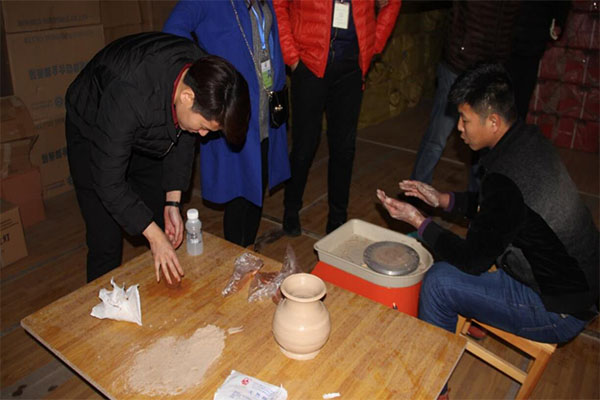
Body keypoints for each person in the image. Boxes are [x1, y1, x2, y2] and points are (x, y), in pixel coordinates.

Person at [377, 63, 599, 398]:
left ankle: (436, 389)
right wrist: (443, 199)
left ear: (493, 121)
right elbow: (500, 209)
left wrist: (418, 221)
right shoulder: (527, 141)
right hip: (578, 282)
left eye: (465, 120)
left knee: (438, 282)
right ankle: (478, 312)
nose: (459, 129)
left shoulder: (505, 178)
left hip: (558, 308)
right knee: (472, 253)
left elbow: (472, 259)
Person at [66, 32, 250, 284]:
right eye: (204, 126)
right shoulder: (131, 93)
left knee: (158, 216)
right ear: (186, 97)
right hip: (92, 126)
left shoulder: (203, 77)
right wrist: (154, 236)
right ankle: (101, 301)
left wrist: (173, 202)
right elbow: (108, 181)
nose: (204, 135)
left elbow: (184, 135)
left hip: (146, 122)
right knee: (106, 240)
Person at [163, 0, 290, 248]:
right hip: (229, 111)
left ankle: (247, 249)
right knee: (239, 190)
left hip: (264, 108)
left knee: (257, 185)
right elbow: (172, 32)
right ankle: (235, 253)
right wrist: (207, 72)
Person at [274, 0, 401, 236]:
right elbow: (278, 5)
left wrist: (373, 45)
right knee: (304, 145)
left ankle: (338, 217)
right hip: (309, 64)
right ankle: (291, 208)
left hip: (352, 67)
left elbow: (392, 3)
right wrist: (291, 56)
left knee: (344, 148)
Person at [410, 1, 520, 191]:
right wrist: (460, 46)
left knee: (484, 139)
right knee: (438, 134)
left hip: (492, 67)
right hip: (458, 63)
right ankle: (416, 192)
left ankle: (476, 201)